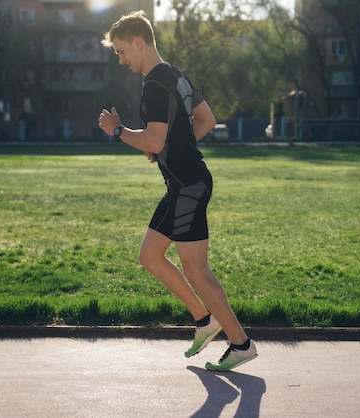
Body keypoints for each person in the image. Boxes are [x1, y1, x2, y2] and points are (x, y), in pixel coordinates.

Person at [98, 11, 257, 371]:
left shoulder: (155, 83)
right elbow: (207, 120)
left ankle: (241, 343)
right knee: (150, 256)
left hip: (188, 186)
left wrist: (117, 130)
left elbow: (154, 137)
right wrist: (168, 149)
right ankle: (204, 320)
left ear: (139, 43)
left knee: (196, 269)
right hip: (186, 183)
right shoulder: (175, 75)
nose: (121, 61)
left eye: (122, 51)